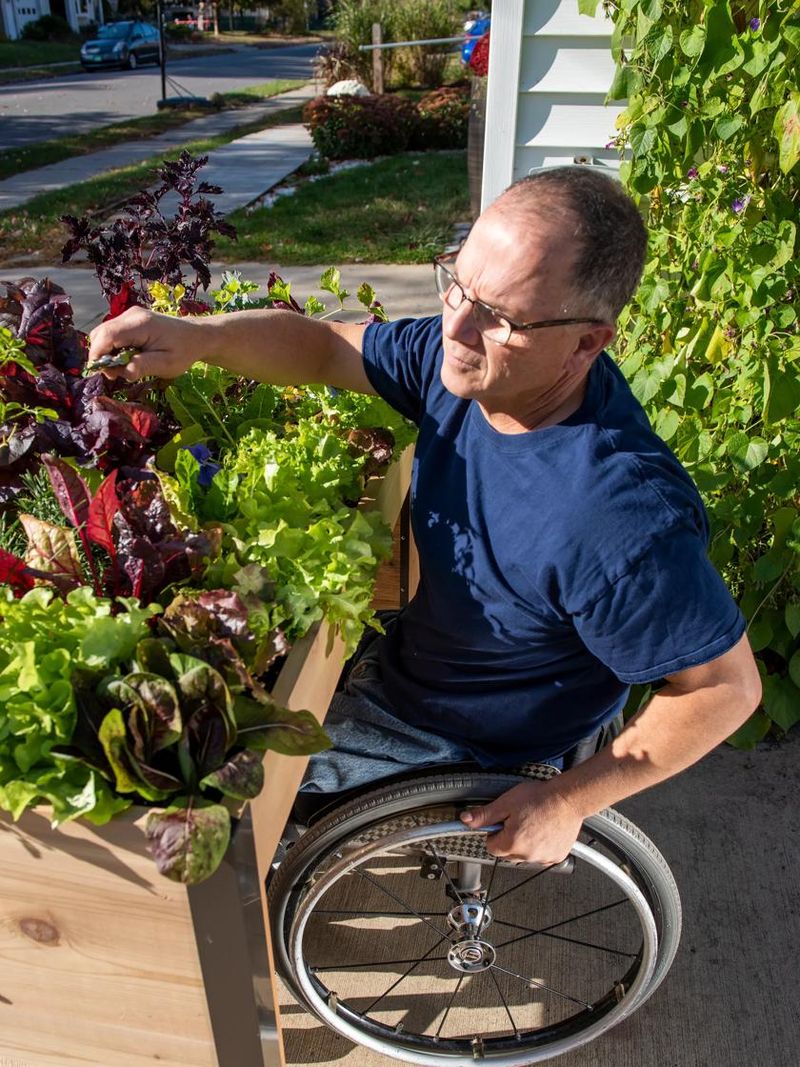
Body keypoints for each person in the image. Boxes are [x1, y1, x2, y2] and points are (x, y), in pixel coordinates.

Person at [88, 166, 762, 867]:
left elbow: (725, 687)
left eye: (498, 317)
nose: (456, 326)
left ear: (588, 342)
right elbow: (327, 347)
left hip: (458, 733)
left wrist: (570, 799)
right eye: (457, 284)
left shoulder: (612, 516)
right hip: (421, 660)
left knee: (186, 781)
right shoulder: (474, 367)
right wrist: (200, 337)